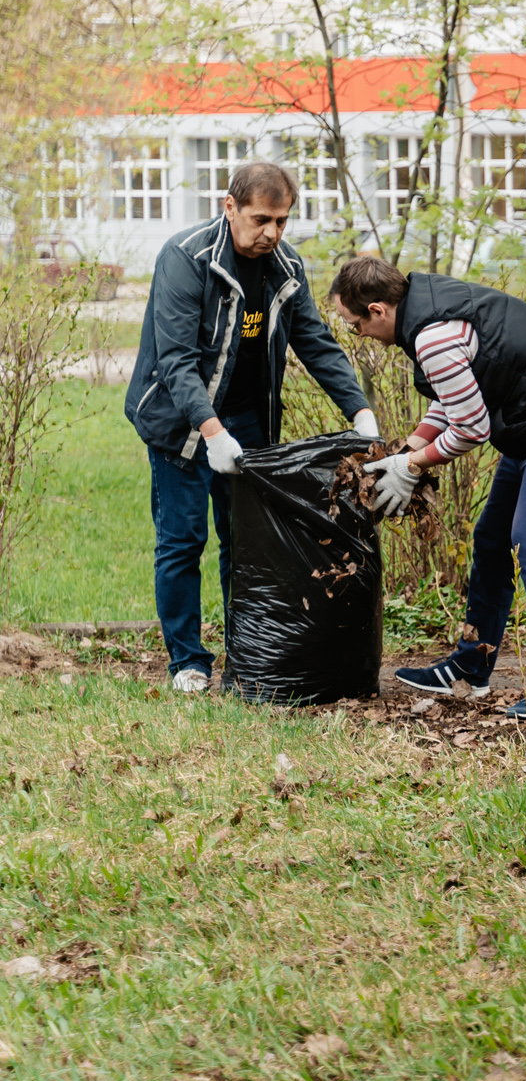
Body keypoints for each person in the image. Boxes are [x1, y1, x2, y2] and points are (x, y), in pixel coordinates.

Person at [327, 255, 526, 721]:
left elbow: (470, 427)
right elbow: (455, 397)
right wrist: (408, 451)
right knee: (492, 539)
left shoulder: (432, 334)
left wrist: (414, 465)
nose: (355, 333)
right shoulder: (427, 307)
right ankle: (471, 667)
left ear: (378, 310)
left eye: (354, 323)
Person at [127, 162, 380, 694]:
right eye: (260, 218)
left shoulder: (285, 265)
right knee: (182, 540)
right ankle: (188, 661)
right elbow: (175, 361)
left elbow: (313, 340)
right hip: (181, 421)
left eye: (281, 220)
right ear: (230, 207)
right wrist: (212, 432)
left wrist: (359, 411)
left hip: (248, 422)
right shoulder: (186, 258)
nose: (271, 232)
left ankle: (247, 652)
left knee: (244, 544)